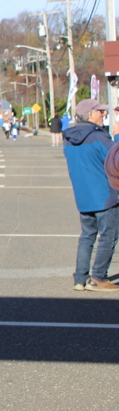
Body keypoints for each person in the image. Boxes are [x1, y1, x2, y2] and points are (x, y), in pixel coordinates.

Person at [65, 99, 119, 291]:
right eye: (100, 112)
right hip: (105, 195)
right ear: (90, 115)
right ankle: (98, 277)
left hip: (83, 195)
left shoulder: (69, 138)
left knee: (87, 236)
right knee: (109, 236)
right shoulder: (98, 137)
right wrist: (117, 136)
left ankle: (80, 278)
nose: (103, 115)